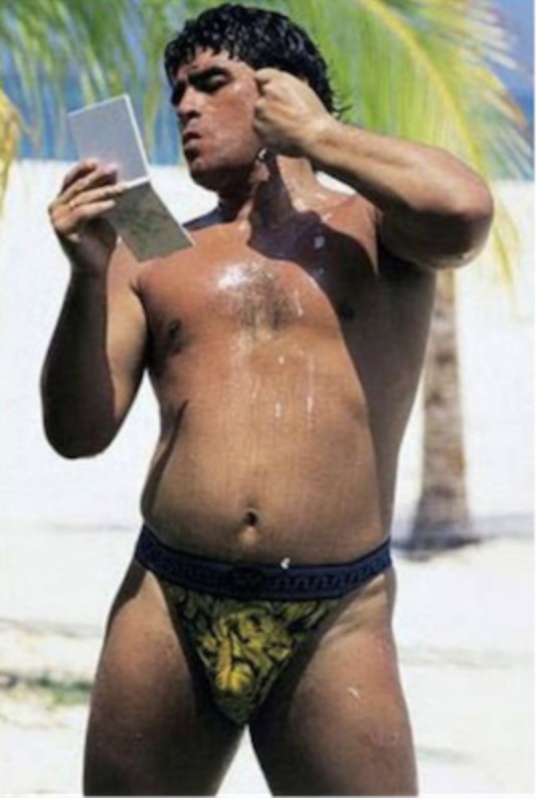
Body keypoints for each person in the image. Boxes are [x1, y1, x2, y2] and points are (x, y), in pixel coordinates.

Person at [42, 3, 493, 796]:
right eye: (176, 93)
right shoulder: (153, 250)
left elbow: (464, 210)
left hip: (335, 612)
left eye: (211, 82)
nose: (185, 107)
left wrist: (316, 135)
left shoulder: (375, 227)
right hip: (167, 601)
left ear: (283, 90)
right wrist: (85, 276)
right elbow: (76, 433)